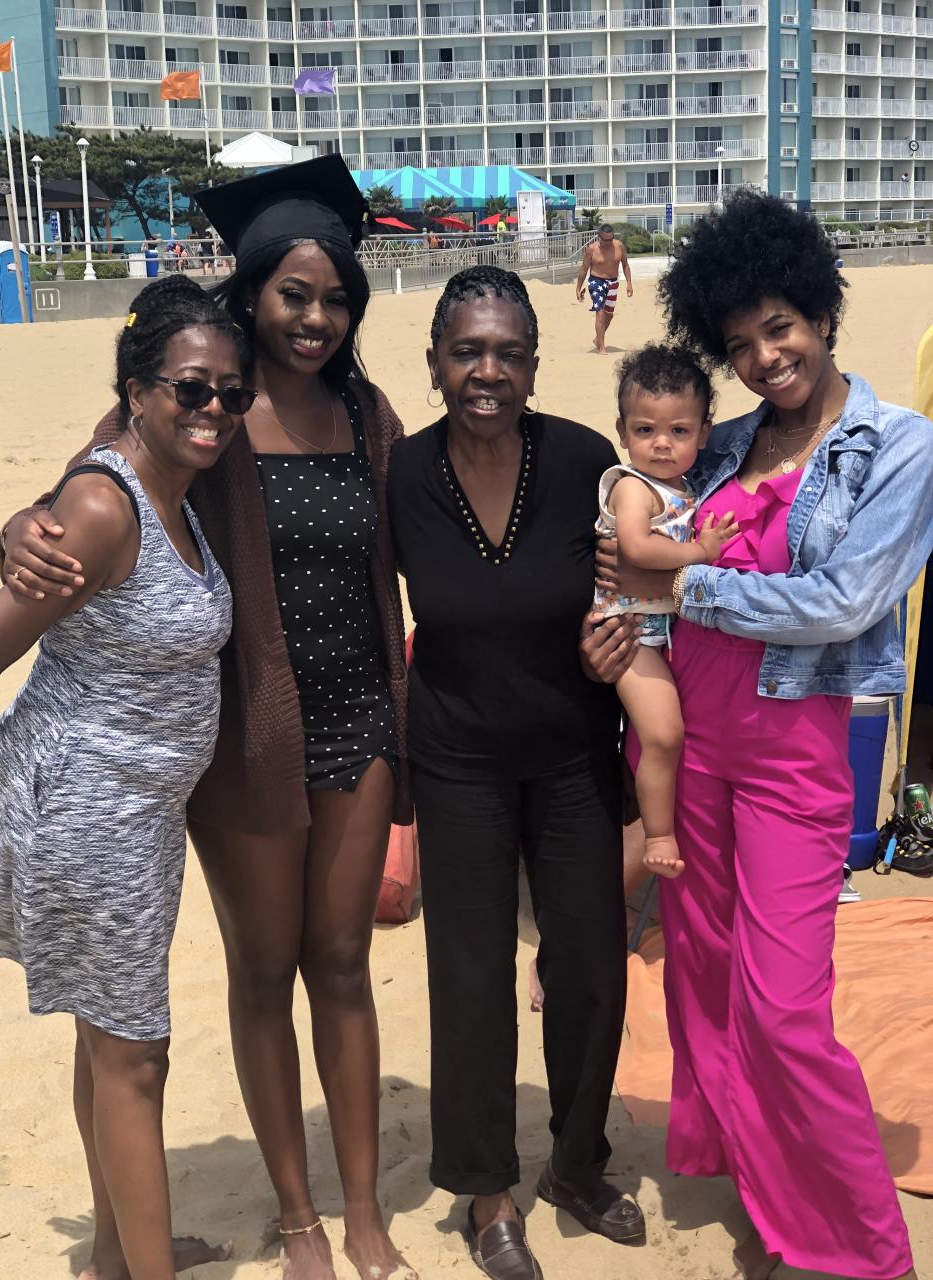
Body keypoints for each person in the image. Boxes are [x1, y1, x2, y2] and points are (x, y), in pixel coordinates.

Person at [0, 156, 414, 1280]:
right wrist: (13, 530)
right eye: (293, 293)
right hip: (245, 738)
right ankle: (297, 1216)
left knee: (343, 959)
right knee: (263, 964)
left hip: (360, 722)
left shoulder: (367, 414)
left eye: (334, 297)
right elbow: (89, 494)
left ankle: (364, 1204)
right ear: (252, 292)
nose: (315, 317)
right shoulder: (199, 402)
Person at [591, 190, 931, 1280]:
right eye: (739, 343)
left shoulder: (898, 446)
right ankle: (767, 1190)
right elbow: (632, 545)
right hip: (692, 742)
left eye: (779, 327)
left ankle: (857, 1242)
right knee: (705, 973)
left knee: (786, 1006)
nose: (764, 357)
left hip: (792, 757)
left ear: (822, 312)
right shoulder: (725, 439)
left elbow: (843, 600)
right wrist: (624, 621)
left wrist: (683, 590)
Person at [0, 275, 253, 1280]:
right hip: (83, 803)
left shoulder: (167, 489)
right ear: (137, 390)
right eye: (190, 388)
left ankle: (112, 1252)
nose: (213, 408)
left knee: (110, 1042)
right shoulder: (102, 502)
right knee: (135, 1052)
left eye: (231, 390)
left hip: (131, 812)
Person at [387, 266, 645, 1280]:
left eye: (508, 352)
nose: (487, 370)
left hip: (576, 756)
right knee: (471, 975)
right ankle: (487, 1188)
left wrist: (617, 642)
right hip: (456, 761)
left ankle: (578, 1163)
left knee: (588, 967)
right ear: (437, 362)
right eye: (467, 350)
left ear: (534, 365)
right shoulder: (402, 473)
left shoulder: (584, 458)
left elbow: (631, 583)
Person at [593, 344, 738, 878]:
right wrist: (699, 553)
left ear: (704, 433)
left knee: (673, 734)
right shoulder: (635, 487)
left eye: (679, 431)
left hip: (663, 631)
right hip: (631, 633)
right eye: (645, 429)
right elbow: (636, 549)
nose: (661, 444)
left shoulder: (687, 487)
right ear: (622, 430)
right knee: (663, 734)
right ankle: (658, 833)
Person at [575, 224, 634, 353]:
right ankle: (602, 347)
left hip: (613, 282)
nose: (608, 242)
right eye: (605, 239)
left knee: (609, 315)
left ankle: (597, 339)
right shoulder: (592, 249)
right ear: (599, 237)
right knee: (600, 313)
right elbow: (584, 269)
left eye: (610, 239)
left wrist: (629, 283)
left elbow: (625, 265)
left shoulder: (619, 246)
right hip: (596, 281)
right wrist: (578, 288)